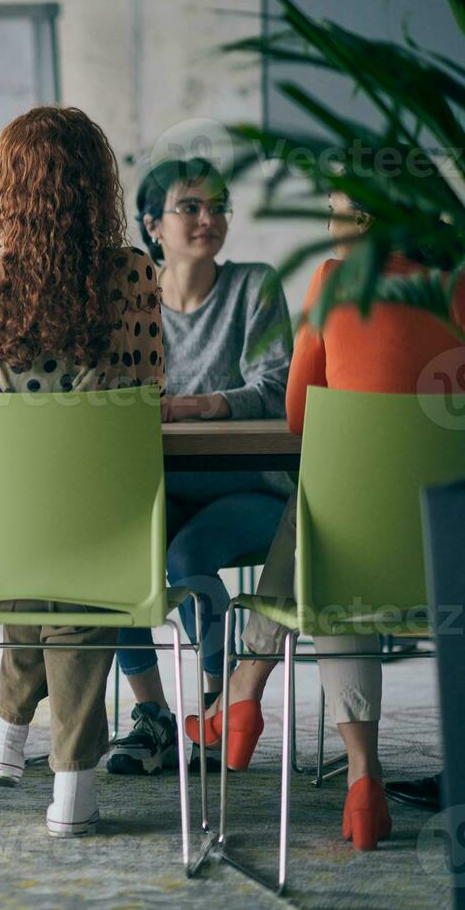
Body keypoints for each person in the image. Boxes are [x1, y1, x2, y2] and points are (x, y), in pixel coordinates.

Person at [185, 189, 465, 850]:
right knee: (331, 527)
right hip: (450, 553)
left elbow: (303, 418)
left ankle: (328, 753)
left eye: (339, 212)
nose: (329, 226)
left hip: (359, 550)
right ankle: (245, 699)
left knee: (330, 529)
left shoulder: (337, 282)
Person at [0, 105, 164, 837]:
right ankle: (72, 792)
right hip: (104, 529)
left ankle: (9, 730)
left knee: (35, 539)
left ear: (1, 186)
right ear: (99, 188)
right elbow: (148, 397)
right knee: (75, 561)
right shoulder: (131, 276)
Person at [104, 159, 292, 776]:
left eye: (218, 207)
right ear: (153, 224)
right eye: (191, 208)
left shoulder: (254, 285)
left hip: (251, 485)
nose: (208, 220)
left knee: (187, 557)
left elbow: (278, 388)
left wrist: (200, 405)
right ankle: (153, 715)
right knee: (112, 546)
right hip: (162, 484)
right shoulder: (129, 296)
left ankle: (216, 708)